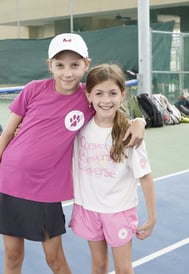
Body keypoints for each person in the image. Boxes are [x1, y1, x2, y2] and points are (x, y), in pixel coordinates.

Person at [0, 33, 146, 274]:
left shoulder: (87, 97)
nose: (67, 73)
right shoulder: (33, 90)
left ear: (86, 65)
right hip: (10, 182)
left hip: (46, 191)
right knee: (13, 255)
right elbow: (6, 134)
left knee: (54, 259)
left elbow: (112, 111)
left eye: (74, 65)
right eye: (60, 65)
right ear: (50, 66)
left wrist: (139, 121)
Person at [70, 64, 156, 274]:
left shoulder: (130, 133)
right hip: (88, 208)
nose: (106, 100)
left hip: (118, 211)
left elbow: (144, 176)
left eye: (112, 93)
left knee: (123, 269)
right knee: (98, 266)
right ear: (88, 95)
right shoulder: (79, 126)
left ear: (123, 95)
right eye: (99, 93)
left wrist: (152, 217)